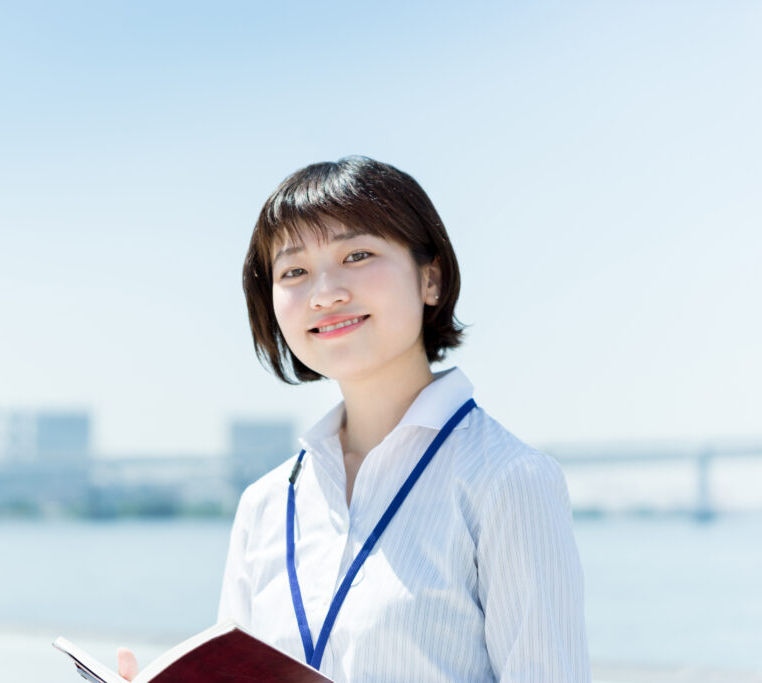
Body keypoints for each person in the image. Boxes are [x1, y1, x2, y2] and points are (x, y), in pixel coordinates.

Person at [120, 156, 590, 682]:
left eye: (358, 254)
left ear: (430, 278)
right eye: (294, 271)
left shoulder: (507, 481)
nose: (325, 293)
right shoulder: (267, 505)